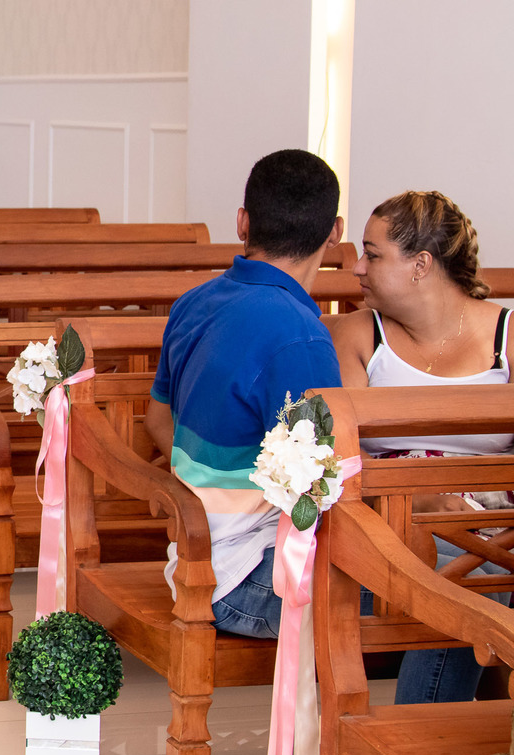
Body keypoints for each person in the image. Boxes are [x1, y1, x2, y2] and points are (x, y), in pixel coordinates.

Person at [144, 148, 344, 638]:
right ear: (335, 232)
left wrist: (202, 493)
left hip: (195, 557)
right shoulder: (299, 335)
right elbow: (325, 483)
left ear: (242, 222)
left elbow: (156, 419)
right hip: (245, 577)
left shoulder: (194, 303)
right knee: (456, 583)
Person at [333, 190, 514, 704]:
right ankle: (429, 734)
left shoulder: (507, 336)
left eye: (372, 254)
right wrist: (424, 498)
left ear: (421, 265)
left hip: (493, 516)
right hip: (388, 517)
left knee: (485, 566)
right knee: (472, 578)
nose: (357, 268)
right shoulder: (357, 335)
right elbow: (338, 456)